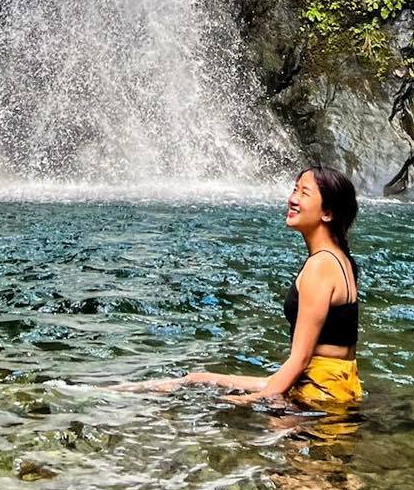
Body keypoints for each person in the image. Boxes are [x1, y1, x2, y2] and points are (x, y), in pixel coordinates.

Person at [134, 166, 363, 407]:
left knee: (213, 405)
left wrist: (254, 400)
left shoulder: (320, 265)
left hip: (319, 393)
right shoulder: (338, 258)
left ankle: (111, 396)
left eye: (304, 193)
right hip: (332, 383)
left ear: (327, 213)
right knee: (196, 379)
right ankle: (110, 392)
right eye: (294, 190)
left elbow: (301, 359)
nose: (293, 199)